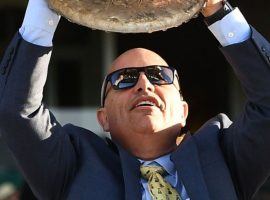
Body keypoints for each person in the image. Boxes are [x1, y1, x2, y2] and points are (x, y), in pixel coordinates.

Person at [0, 0, 269, 199]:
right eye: (124, 79)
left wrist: (219, 11)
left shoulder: (224, 154)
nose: (144, 85)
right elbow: (18, 111)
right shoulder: (72, 164)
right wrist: (47, 4)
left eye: (160, 76)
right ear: (103, 118)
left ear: (184, 110)